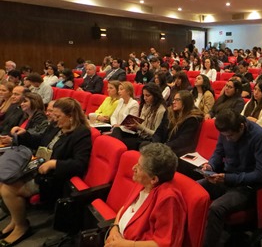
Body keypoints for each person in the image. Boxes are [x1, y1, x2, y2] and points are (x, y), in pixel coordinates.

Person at [0, 97, 92, 246]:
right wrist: (24, 134)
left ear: (70, 116)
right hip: (38, 166)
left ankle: (22, 226)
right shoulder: (56, 126)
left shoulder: (81, 134)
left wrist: (55, 163)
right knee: (3, 181)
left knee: (8, 189)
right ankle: (15, 221)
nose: (53, 118)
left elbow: (80, 163)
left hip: (54, 178)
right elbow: (41, 140)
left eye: (57, 116)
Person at [198, 109, 262, 247]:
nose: (227, 139)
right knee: (193, 189)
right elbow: (218, 152)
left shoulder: (259, 136)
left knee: (216, 208)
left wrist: (228, 178)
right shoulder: (226, 130)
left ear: (241, 127)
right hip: (225, 178)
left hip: (245, 187)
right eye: (224, 136)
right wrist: (211, 166)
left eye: (230, 136)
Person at [104, 143, 186, 247]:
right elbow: (125, 208)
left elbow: (163, 244)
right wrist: (114, 228)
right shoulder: (142, 183)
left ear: (154, 179)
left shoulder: (168, 199)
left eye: (140, 167)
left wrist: (126, 244)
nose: (134, 167)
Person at [152, 90, 203, 156]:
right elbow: (159, 131)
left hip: (177, 151)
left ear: (186, 102)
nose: (173, 102)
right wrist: (156, 144)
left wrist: (163, 147)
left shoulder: (192, 119)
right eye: (174, 99)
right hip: (164, 146)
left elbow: (182, 141)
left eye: (177, 100)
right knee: (143, 145)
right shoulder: (169, 113)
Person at [119, 83, 167, 150]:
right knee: (117, 130)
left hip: (149, 140)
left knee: (124, 143)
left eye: (148, 95)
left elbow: (156, 134)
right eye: (143, 95)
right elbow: (141, 124)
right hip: (139, 135)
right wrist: (134, 126)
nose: (144, 98)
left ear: (155, 96)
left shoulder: (161, 110)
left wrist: (141, 127)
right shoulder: (145, 105)